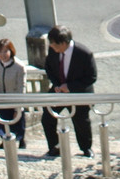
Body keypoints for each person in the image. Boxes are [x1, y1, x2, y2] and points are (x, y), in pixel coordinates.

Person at [41, 25, 97, 158]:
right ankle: (54, 147)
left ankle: (86, 148)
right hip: (59, 90)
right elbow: (49, 67)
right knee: (48, 117)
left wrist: (70, 87)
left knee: (81, 121)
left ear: (63, 43)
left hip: (79, 92)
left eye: (54, 44)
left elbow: (91, 77)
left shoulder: (84, 54)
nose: (51, 46)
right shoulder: (53, 50)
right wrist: (56, 84)